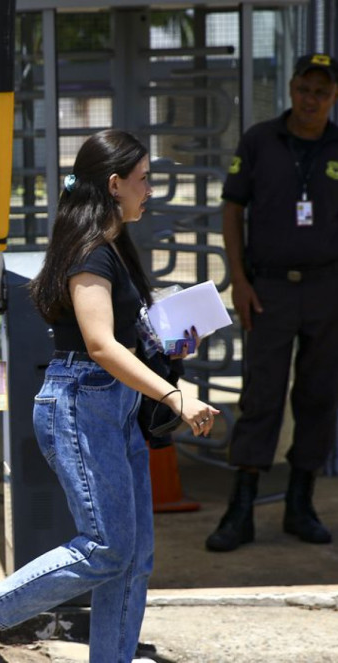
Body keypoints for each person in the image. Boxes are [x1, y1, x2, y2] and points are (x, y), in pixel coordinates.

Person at [0, 130, 218, 663]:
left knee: (134, 556)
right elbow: (98, 344)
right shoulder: (90, 252)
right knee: (108, 547)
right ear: (115, 185)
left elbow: (122, 335)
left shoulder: (113, 245)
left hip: (112, 405)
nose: (150, 191)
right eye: (143, 181)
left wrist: (173, 341)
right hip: (81, 403)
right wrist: (175, 397)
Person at [206, 53, 338, 553]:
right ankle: (240, 510)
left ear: (334, 96)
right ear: (291, 87)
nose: (311, 100)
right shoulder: (261, 140)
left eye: (321, 92)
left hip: (328, 290)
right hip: (269, 290)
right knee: (261, 396)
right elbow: (232, 209)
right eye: (305, 89)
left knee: (318, 396)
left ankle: (299, 505)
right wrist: (238, 280)